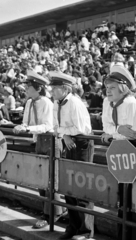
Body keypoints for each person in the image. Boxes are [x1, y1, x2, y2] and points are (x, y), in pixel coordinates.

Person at [101, 64, 136, 240]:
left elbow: (131, 133)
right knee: (123, 199)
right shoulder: (106, 103)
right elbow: (106, 127)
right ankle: (124, 235)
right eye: (107, 87)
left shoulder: (131, 104)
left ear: (123, 88)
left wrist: (113, 133)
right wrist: (116, 131)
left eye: (112, 88)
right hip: (121, 152)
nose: (108, 91)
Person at [12, 70, 66, 228]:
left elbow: (47, 126)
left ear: (38, 88)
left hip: (50, 140)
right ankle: (53, 211)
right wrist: (23, 126)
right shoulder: (29, 102)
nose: (26, 90)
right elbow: (26, 120)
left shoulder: (47, 103)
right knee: (41, 180)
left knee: (50, 180)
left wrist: (27, 129)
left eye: (29, 87)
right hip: (39, 141)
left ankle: (50, 214)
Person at [49, 71, 94, 240]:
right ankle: (73, 227)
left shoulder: (75, 103)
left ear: (65, 88)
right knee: (68, 187)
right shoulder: (56, 103)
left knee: (81, 188)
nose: (52, 91)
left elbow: (81, 129)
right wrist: (64, 134)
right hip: (66, 142)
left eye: (55, 88)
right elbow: (55, 127)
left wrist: (64, 133)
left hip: (81, 144)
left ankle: (85, 231)